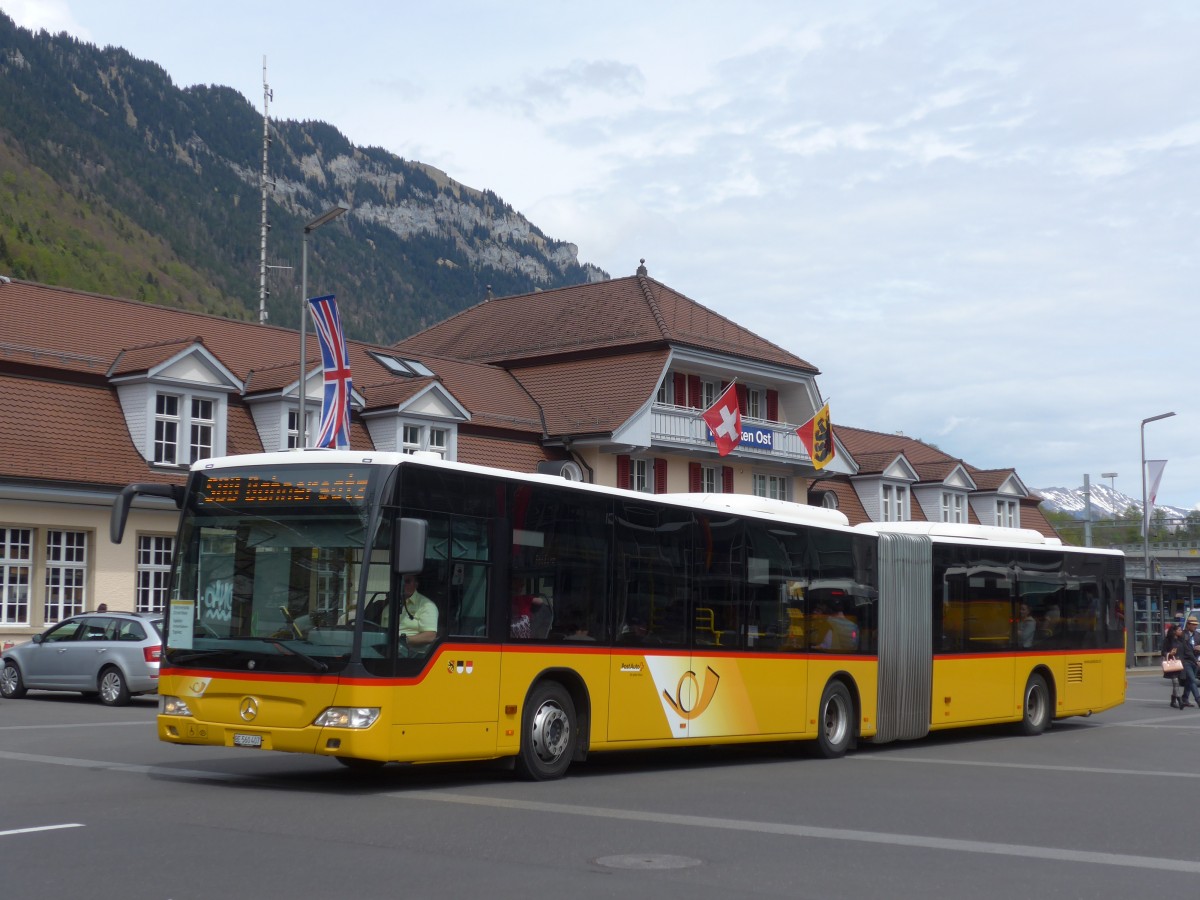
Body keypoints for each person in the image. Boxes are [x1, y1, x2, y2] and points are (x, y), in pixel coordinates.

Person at [380, 573, 438, 649]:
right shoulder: (390, 606)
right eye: (401, 582)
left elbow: (430, 636)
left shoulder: (426, 605)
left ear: (416, 584)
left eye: (407, 581)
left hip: (412, 655)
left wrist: (402, 640)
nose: (403, 585)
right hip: (386, 650)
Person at [1176, 616, 1200, 708]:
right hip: (1186, 660)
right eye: (1193, 625)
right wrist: (1194, 648)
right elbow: (1185, 649)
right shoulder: (1182, 635)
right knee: (1193, 680)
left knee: (1189, 681)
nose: (1195, 626)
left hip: (1195, 660)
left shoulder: (1197, 635)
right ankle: (1198, 699)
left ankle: (1185, 698)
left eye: (1196, 625)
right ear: (1188, 624)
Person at [1162, 623, 1187, 708]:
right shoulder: (1168, 640)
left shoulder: (1181, 640)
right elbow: (1163, 652)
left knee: (1175, 684)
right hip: (1172, 663)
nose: (1181, 631)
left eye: (1181, 630)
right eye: (1179, 630)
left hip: (1179, 664)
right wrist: (1169, 653)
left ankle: (1173, 701)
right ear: (1174, 631)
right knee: (1175, 682)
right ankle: (1180, 701)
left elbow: (1186, 651)